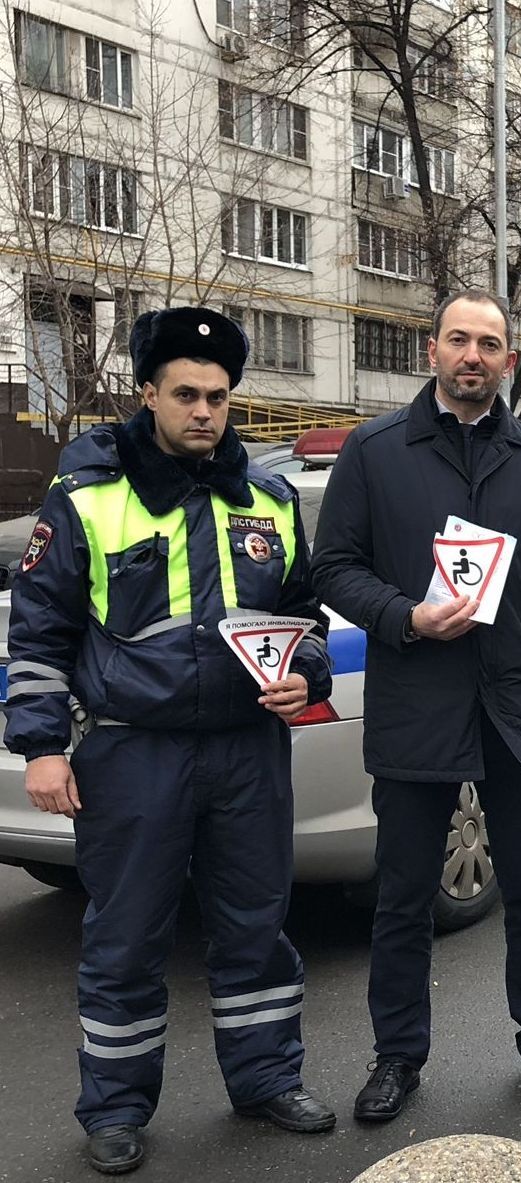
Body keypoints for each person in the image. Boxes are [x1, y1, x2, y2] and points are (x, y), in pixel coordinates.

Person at [4, 308, 337, 1174]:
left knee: (256, 927)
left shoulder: (268, 498)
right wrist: (40, 749)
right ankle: (114, 1108)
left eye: (218, 396)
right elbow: (37, 637)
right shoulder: (86, 497)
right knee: (126, 936)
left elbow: (304, 616)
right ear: (147, 393)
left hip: (246, 750)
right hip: (132, 752)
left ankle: (266, 1079)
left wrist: (309, 670)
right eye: (185, 393)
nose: (203, 411)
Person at [312, 291, 521, 1121]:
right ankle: (397, 1055)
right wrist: (404, 615)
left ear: (510, 361)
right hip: (416, 702)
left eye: (492, 344)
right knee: (402, 895)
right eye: (459, 340)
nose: (474, 356)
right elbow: (333, 567)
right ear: (430, 351)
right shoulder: (374, 450)